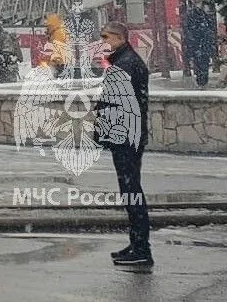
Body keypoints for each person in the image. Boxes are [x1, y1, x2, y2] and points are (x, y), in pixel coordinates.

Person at [94, 22, 152, 268]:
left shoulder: (126, 63)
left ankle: (141, 248)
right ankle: (137, 244)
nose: (103, 42)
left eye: (106, 37)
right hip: (127, 134)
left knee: (132, 192)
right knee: (130, 190)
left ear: (119, 38)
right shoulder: (122, 61)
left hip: (126, 136)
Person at [184, 2, 217, 89]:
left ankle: (202, 82)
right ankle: (201, 82)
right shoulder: (197, 16)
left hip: (201, 45)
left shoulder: (202, 16)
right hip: (199, 45)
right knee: (200, 64)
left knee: (202, 64)